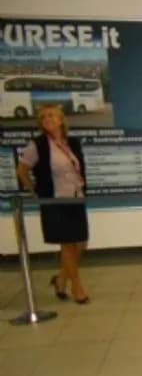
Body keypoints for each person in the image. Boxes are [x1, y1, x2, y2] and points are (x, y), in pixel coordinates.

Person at [16, 104, 91, 304]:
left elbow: (78, 169)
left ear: (60, 119)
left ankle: (61, 279)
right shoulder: (37, 145)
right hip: (55, 200)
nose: (47, 119)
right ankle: (77, 287)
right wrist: (37, 193)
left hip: (75, 197)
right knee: (67, 243)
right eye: (43, 117)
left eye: (51, 115)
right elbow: (22, 171)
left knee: (80, 243)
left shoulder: (72, 142)